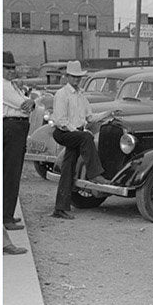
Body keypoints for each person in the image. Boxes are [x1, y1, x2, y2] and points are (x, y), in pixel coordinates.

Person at [50, 60, 111, 219]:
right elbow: (61, 122)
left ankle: (60, 208)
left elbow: (90, 117)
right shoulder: (62, 94)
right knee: (86, 137)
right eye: (74, 77)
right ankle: (95, 174)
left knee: (68, 167)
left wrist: (108, 113)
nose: (77, 80)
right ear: (67, 77)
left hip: (74, 135)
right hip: (63, 132)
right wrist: (79, 132)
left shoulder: (81, 95)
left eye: (79, 77)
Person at [2, 51, 34, 231]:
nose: (10, 71)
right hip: (11, 126)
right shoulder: (4, 86)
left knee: (13, 173)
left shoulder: (11, 85)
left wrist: (30, 103)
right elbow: (24, 105)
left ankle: (8, 213)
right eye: (7, 68)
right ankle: (5, 216)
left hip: (18, 127)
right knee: (10, 173)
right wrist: (29, 103)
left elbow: (29, 103)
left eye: (12, 68)